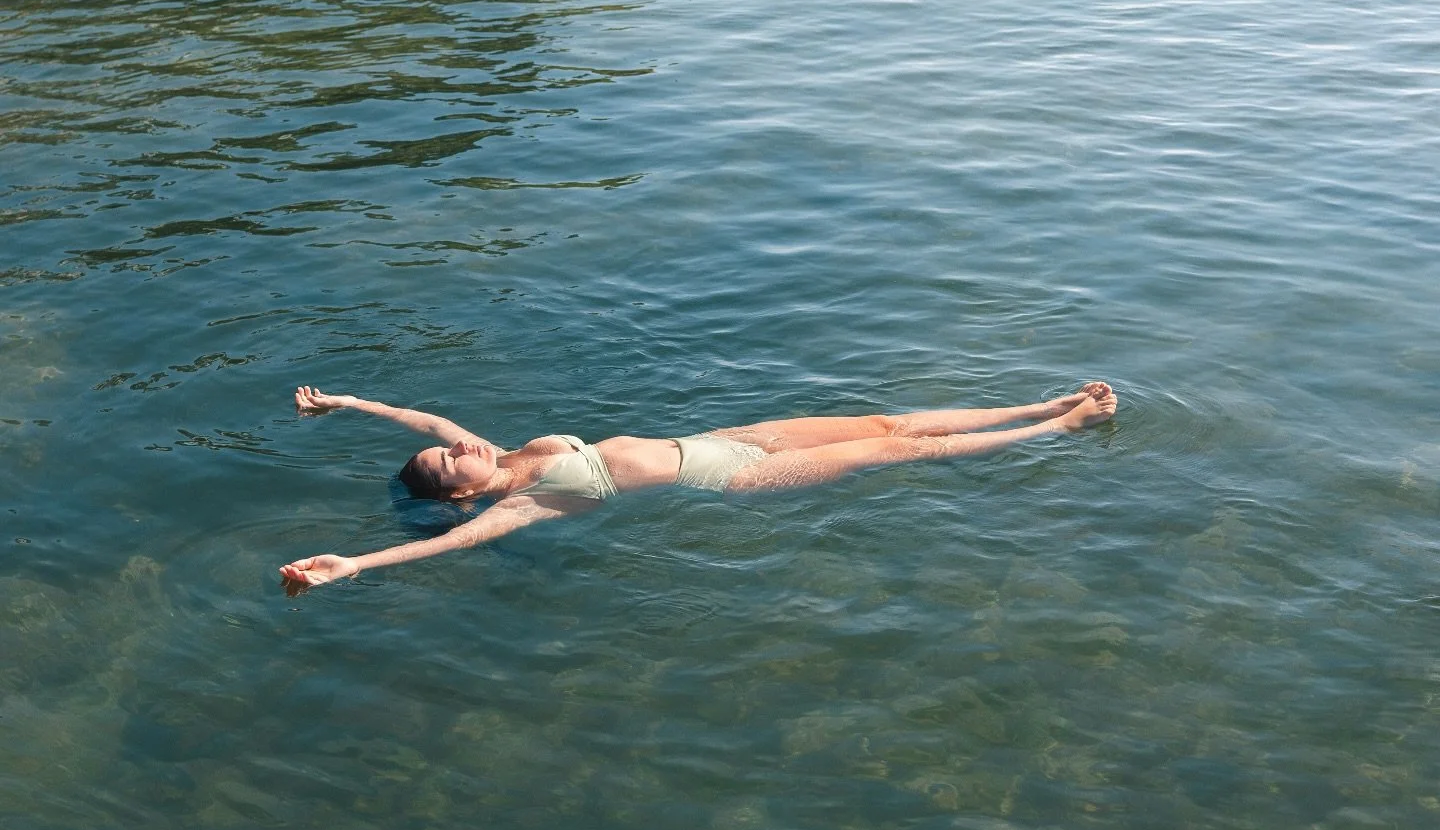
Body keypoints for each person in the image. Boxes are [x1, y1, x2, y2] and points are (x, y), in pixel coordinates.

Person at [278, 381, 1118, 593]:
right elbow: (457, 542)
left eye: (454, 446)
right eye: (449, 462)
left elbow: (422, 421)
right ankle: (1057, 430)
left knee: (888, 423)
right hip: (741, 476)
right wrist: (357, 563)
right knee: (892, 457)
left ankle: (1036, 401)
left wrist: (350, 403)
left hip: (723, 439)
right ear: (461, 492)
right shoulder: (524, 501)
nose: (456, 444)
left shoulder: (507, 450)